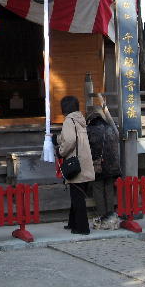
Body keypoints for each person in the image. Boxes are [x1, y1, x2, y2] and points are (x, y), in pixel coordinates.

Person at [56, 95, 95, 234]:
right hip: (85, 161)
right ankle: (72, 223)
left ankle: (82, 227)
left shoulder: (68, 120)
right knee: (77, 194)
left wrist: (61, 151)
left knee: (77, 197)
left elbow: (70, 140)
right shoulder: (80, 119)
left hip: (75, 163)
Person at [86, 105, 121, 230]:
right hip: (112, 165)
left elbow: (88, 148)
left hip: (98, 165)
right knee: (109, 189)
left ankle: (102, 217)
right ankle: (111, 216)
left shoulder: (90, 129)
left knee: (98, 189)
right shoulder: (110, 127)